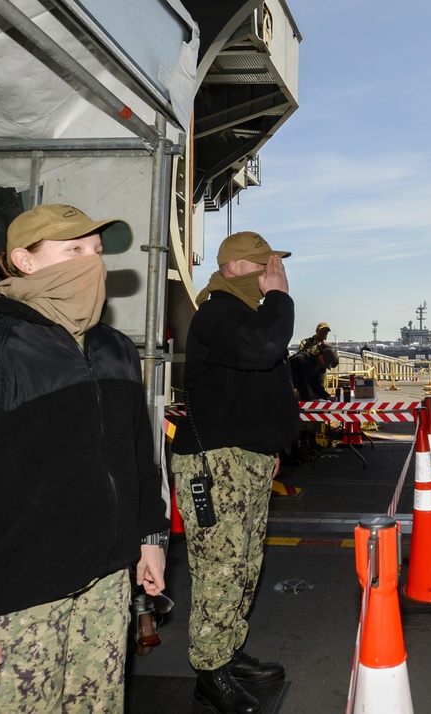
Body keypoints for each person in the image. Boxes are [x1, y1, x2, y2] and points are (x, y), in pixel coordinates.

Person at [0, 203, 169, 712]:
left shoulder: (115, 350)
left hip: (104, 596)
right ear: (24, 261)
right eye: (73, 251)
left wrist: (149, 537)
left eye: (96, 251)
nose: (93, 264)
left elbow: (137, 456)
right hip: (12, 612)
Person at [170, 230, 298, 714]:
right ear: (234, 269)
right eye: (265, 264)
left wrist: (270, 446)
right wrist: (280, 297)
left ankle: (228, 650)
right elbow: (265, 349)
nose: (273, 273)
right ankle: (209, 671)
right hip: (216, 462)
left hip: (247, 458)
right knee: (220, 569)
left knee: (244, 565)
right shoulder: (220, 313)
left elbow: (256, 385)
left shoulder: (243, 314)